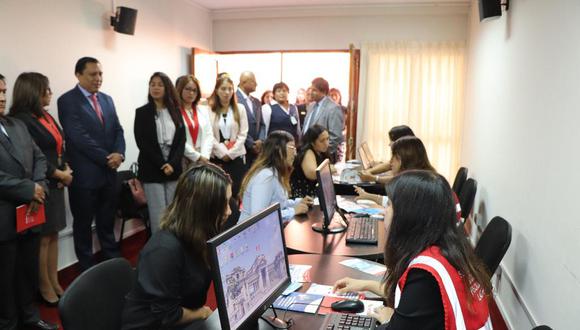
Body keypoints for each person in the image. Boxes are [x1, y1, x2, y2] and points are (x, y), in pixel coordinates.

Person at [333, 171, 492, 329]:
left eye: (389, 205)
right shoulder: (450, 248)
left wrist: (391, 322)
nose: (384, 211)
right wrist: (365, 285)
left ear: (408, 215)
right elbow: (414, 301)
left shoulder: (425, 274)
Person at [122, 163, 232, 330]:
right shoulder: (163, 250)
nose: (229, 211)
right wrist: (202, 313)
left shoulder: (202, 234)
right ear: (203, 208)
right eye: (224, 204)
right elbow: (166, 315)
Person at [0, 74, 58, 330]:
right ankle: (9, 324)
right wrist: (29, 189)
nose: (2, 98)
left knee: (27, 272)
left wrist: (40, 188)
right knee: (5, 279)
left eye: (3, 92)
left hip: (30, 213)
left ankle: (31, 318)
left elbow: (40, 159)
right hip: (3, 218)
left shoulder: (16, 125)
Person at [58, 57, 125, 272]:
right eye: (92, 74)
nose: (98, 78)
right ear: (78, 75)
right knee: (83, 225)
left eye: (100, 74)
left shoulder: (107, 99)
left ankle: (112, 265)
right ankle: (87, 271)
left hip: (108, 175)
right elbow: (78, 137)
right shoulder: (67, 101)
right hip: (85, 177)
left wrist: (120, 154)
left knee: (107, 223)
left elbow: (118, 130)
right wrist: (108, 159)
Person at [9, 73, 71, 307]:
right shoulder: (21, 120)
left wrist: (66, 167)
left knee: (53, 234)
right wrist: (58, 173)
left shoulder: (44, 115)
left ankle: (54, 282)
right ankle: (43, 287)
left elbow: (57, 146)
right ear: (33, 91)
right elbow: (34, 158)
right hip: (40, 185)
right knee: (42, 239)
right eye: (46, 89)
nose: (49, 93)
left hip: (57, 183)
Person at [134, 72, 186, 233]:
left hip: (174, 167)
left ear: (167, 88)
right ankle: (160, 249)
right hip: (152, 167)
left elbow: (181, 141)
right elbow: (142, 142)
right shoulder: (142, 112)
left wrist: (172, 163)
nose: (155, 88)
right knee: (158, 214)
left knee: (173, 212)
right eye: (152, 84)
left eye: (160, 84)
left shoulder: (176, 111)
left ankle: (174, 246)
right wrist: (162, 164)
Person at [239, 130, 312, 223]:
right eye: (292, 148)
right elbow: (258, 216)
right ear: (279, 150)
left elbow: (277, 204)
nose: (295, 153)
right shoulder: (266, 177)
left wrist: (297, 203)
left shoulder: (274, 172)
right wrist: (293, 211)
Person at [355, 136, 435, 205]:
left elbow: (396, 208)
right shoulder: (422, 177)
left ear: (403, 159)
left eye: (394, 157)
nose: (390, 161)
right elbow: (394, 203)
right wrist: (367, 196)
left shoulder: (414, 185)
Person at [209, 75, 248, 199]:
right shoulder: (209, 109)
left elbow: (243, 134)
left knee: (236, 194)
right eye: (223, 89)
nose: (227, 92)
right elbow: (209, 134)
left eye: (230, 89)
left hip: (236, 157)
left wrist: (230, 153)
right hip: (217, 158)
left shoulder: (240, 108)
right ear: (216, 90)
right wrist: (222, 153)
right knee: (218, 195)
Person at [175, 75, 214, 167]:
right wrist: (197, 157)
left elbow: (209, 135)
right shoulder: (174, 112)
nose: (191, 93)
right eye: (187, 89)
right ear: (180, 90)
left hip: (203, 160)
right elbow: (177, 140)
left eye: (194, 90)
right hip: (183, 159)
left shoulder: (203, 110)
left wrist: (204, 156)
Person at [302, 77, 344, 163]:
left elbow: (335, 137)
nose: (310, 93)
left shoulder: (333, 108)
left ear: (323, 92)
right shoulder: (311, 106)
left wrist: (322, 152)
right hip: (306, 152)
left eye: (314, 90)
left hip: (323, 156)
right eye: (310, 89)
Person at [290, 124, 330, 198]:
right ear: (312, 142)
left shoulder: (320, 151)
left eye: (327, 139)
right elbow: (312, 174)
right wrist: (328, 169)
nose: (326, 143)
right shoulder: (308, 152)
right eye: (322, 141)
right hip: (304, 197)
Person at [235, 71, 264, 168]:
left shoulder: (256, 101)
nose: (256, 84)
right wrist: (251, 144)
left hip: (258, 151)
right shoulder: (234, 99)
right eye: (253, 82)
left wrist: (261, 140)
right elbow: (236, 126)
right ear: (243, 82)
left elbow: (262, 124)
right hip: (241, 149)